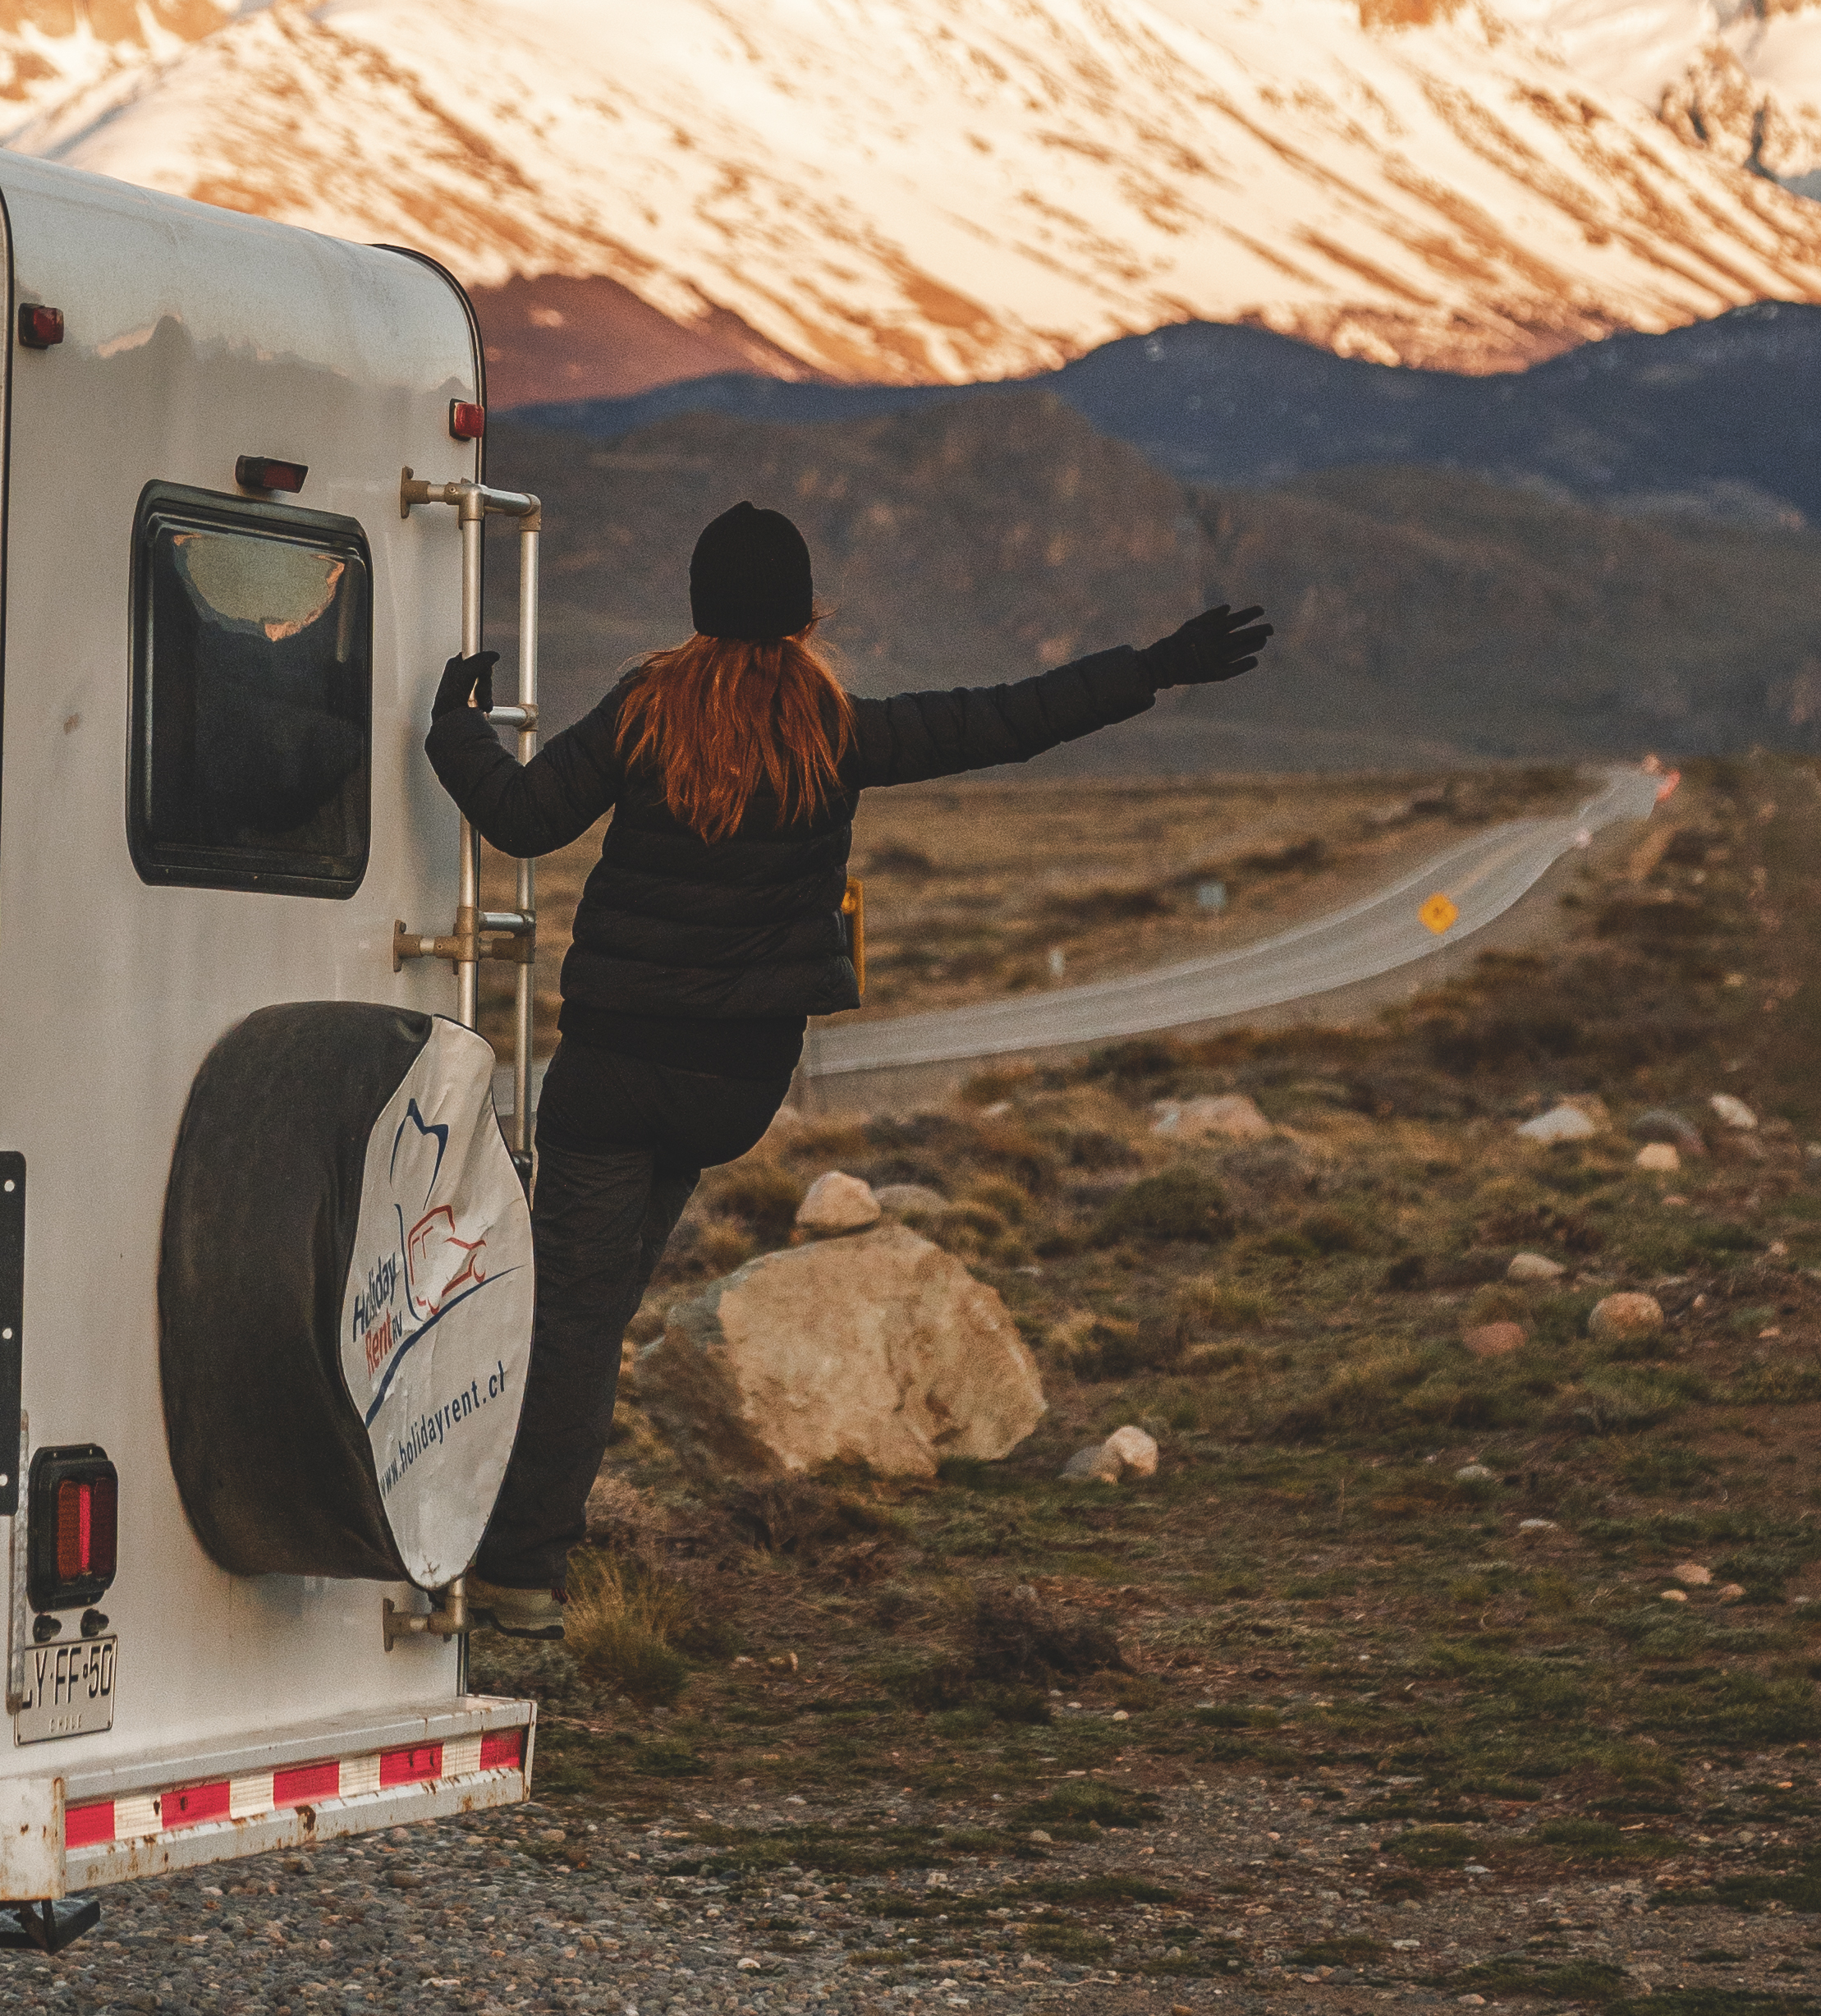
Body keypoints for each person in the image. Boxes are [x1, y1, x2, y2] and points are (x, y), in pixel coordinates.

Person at [424, 499, 1271, 1670]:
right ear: (806, 613)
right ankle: (517, 1554)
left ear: (697, 606)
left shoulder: (643, 711)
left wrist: (454, 725)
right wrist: (1158, 669)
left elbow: (518, 813)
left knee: (570, 1325)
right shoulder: (834, 731)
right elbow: (1007, 722)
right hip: (733, 1087)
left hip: (613, 1073)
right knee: (600, 1303)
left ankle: (516, 1581)